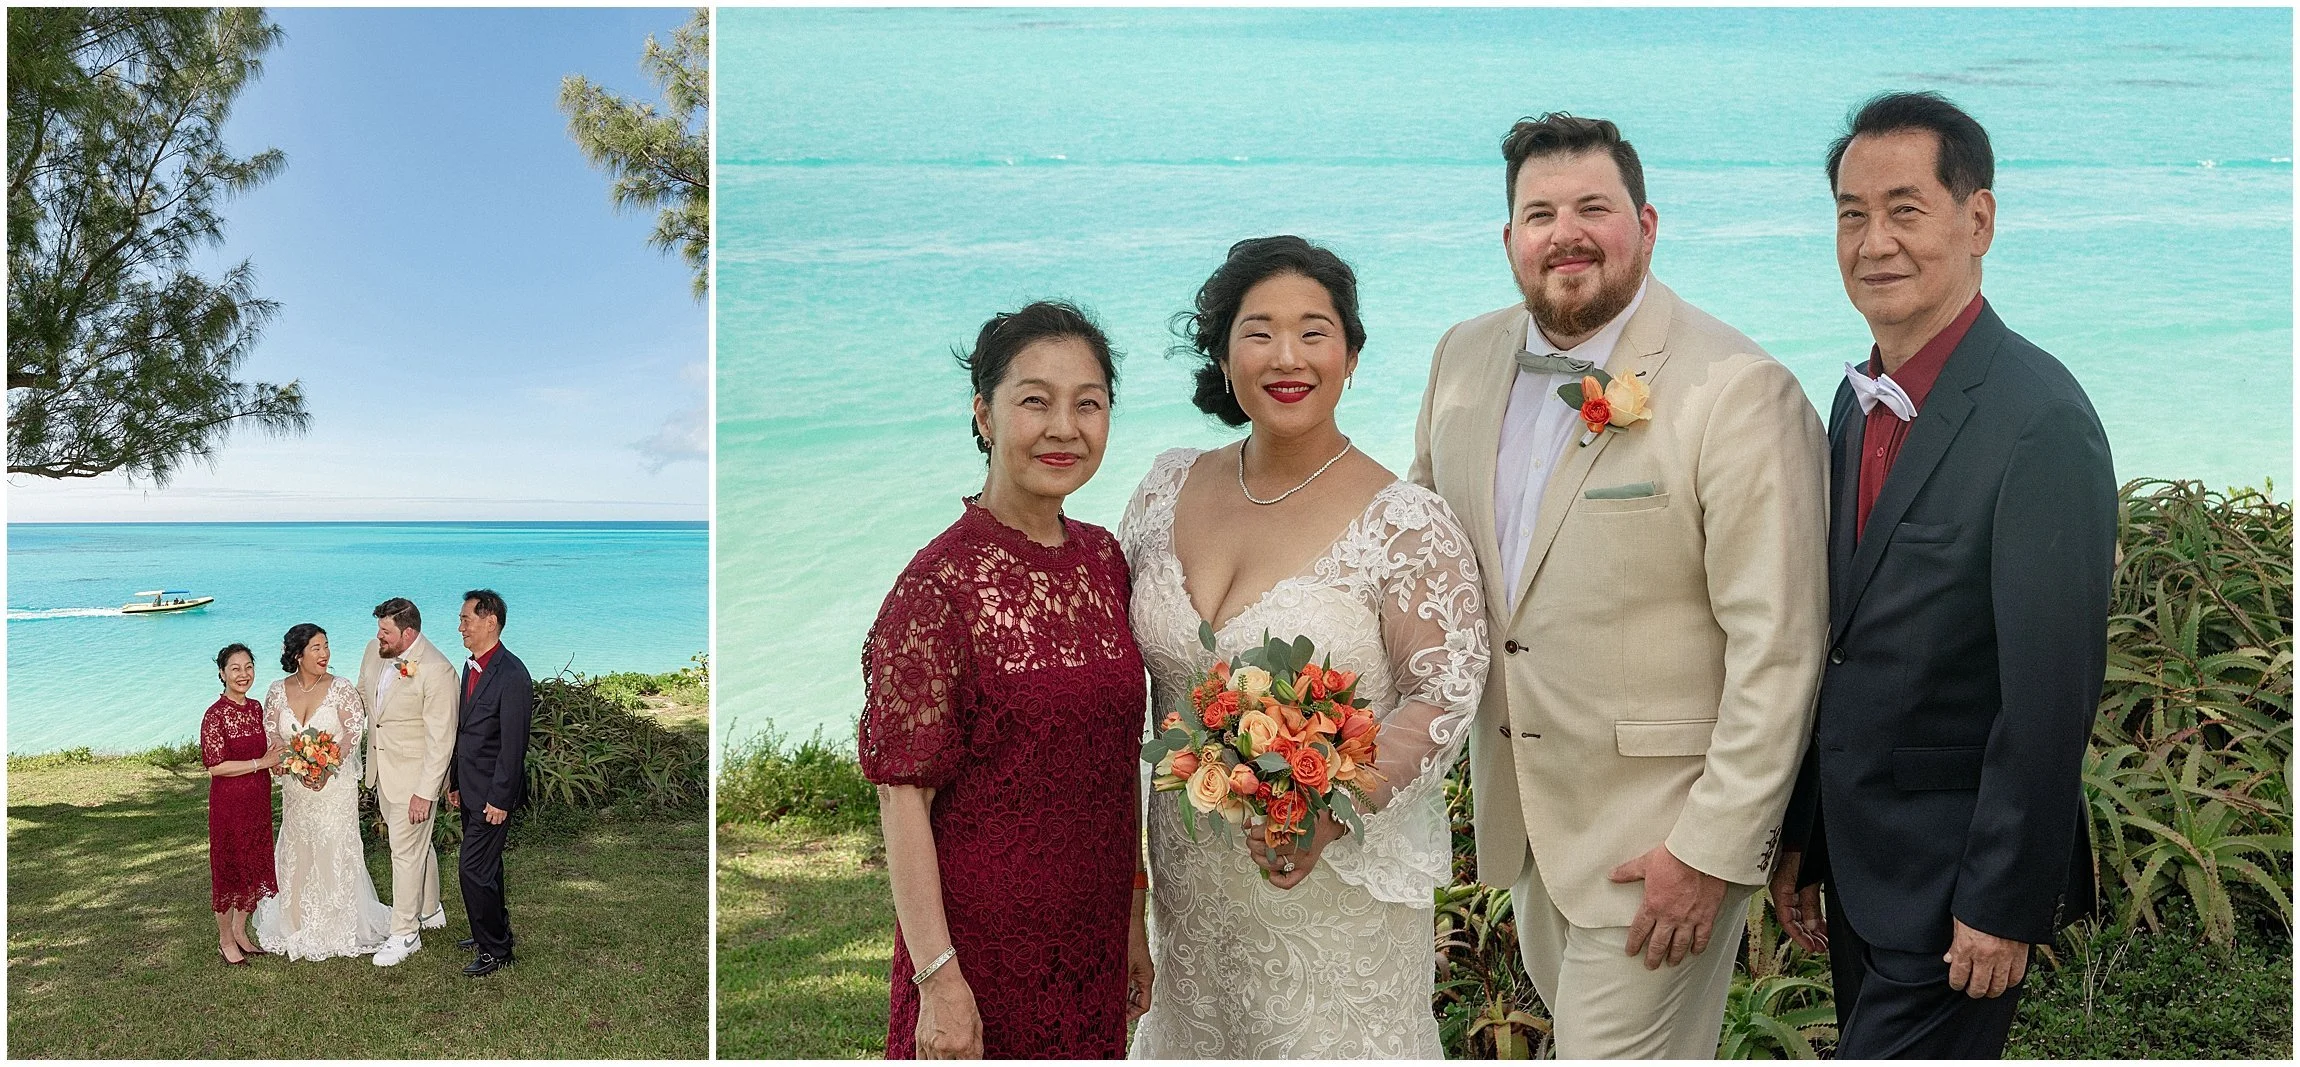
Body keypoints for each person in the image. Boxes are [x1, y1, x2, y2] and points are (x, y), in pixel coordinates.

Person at [1408, 113, 1829, 1057]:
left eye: (1594, 207)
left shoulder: (1739, 388)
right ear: (1508, 238)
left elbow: (1782, 644)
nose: (1567, 232)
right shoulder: (1462, 359)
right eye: (1540, 212)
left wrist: (1711, 851)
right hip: (1531, 830)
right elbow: (1420, 556)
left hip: (1660, 842)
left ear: (1646, 223)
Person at [1770, 91, 2116, 1059]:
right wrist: (1807, 834)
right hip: (1863, 868)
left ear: (1978, 220)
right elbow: (1844, 644)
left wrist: (2001, 902)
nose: (1872, 240)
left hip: (1958, 893)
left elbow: (2048, 689)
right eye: (1849, 213)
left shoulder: (2037, 420)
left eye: (1903, 209)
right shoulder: (1855, 403)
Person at [1123, 236, 1491, 1057]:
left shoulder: (1404, 521)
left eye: (1315, 331)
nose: (1286, 356)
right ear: (1222, 355)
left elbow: (1447, 690)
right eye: (1258, 331)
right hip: (1190, 898)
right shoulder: (1162, 488)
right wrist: (1127, 889)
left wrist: (1332, 806)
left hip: (1333, 893)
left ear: (1352, 355)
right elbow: (1118, 685)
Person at [857, 301, 1152, 1058]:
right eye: (1035, 400)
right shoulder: (936, 588)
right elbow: (901, 797)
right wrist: (938, 978)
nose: (1065, 427)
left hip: (1090, 948)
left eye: (1089, 403)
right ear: (983, 414)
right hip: (977, 959)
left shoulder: (1104, 560)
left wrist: (1131, 919)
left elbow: (1113, 767)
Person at [251, 624, 394, 959]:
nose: (325, 654)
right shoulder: (277, 691)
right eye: (316, 648)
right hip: (296, 790)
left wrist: (324, 768)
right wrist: (293, 765)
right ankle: (294, 920)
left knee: (333, 843)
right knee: (298, 846)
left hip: (333, 787)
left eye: (326, 646)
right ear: (298, 655)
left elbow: (351, 733)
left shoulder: (341, 689)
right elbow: (272, 735)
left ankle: (339, 922)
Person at [358, 596, 460, 967]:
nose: (378, 637)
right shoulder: (374, 651)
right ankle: (431, 910)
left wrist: (425, 792)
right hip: (383, 772)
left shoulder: (437, 670)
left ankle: (404, 933)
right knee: (418, 847)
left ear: (409, 632)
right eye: (378, 629)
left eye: (386, 631)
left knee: (404, 852)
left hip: (415, 780)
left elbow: (442, 739)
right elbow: (362, 700)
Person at [445, 588, 533, 978]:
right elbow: (466, 732)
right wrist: (455, 781)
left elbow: (513, 747)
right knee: (487, 868)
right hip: (470, 788)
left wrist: (500, 798)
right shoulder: (471, 667)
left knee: (472, 869)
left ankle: (496, 950)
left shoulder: (513, 674)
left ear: (490, 621)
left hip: (493, 796)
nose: (460, 626)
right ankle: (491, 933)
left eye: (466, 619)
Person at [201, 642, 283, 965]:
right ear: (222, 673)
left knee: (253, 866)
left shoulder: (256, 709)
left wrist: (274, 758)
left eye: (248, 667)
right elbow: (215, 766)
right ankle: (225, 940)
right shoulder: (214, 715)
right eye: (235, 668)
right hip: (229, 806)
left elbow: (265, 749)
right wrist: (259, 764)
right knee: (230, 870)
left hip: (257, 801)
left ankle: (240, 931)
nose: (243, 674)